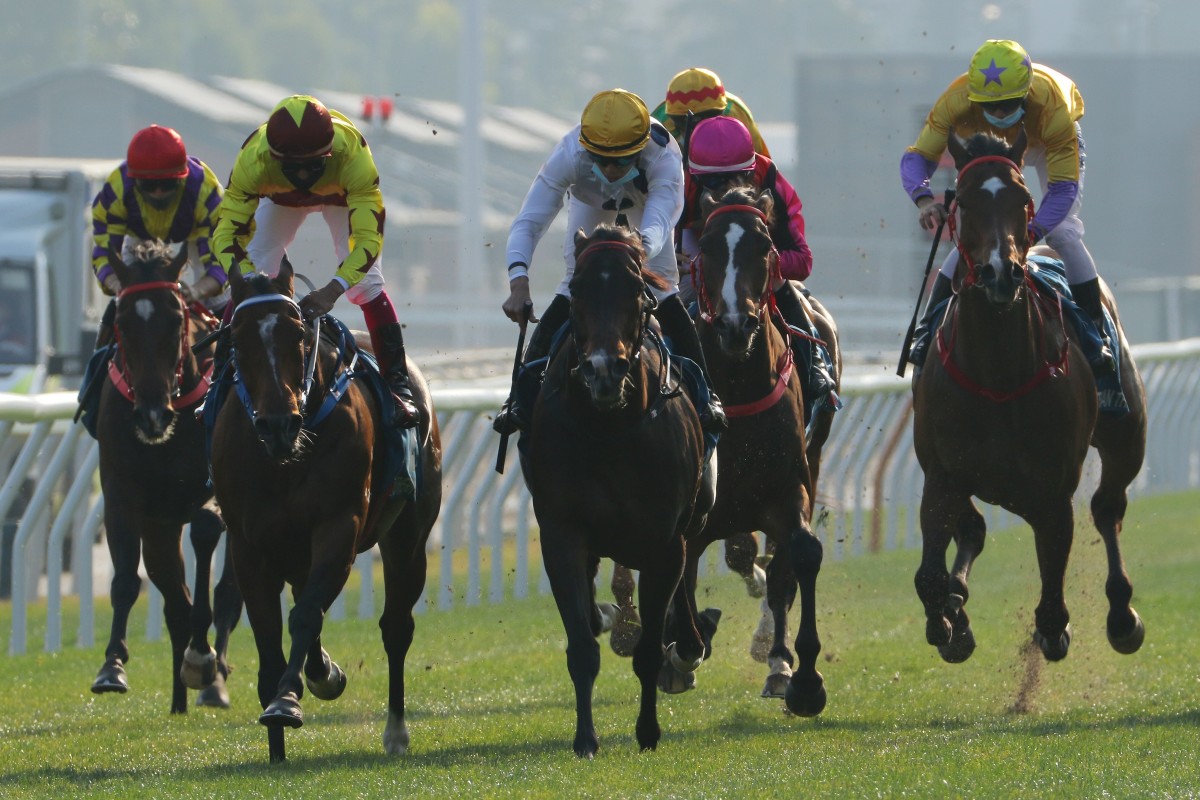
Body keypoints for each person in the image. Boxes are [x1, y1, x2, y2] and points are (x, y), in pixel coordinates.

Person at [494, 88, 726, 435]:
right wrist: (519, 281)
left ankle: (706, 395)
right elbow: (529, 221)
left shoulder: (663, 157)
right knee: (573, 284)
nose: (610, 168)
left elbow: (660, 221)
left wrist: (637, 252)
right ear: (586, 149)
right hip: (591, 205)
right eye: (601, 159)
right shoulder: (569, 154)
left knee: (663, 292)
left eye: (620, 161)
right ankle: (518, 397)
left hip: (647, 214)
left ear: (640, 149)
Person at [901, 39, 1115, 375]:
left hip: (1045, 142)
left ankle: (1093, 333)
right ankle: (927, 328)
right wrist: (924, 200)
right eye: (991, 106)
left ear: (1026, 94)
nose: (1001, 113)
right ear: (974, 98)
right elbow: (918, 156)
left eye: (1009, 104)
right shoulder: (955, 102)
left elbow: (1062, 190)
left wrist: (1032, 231)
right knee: (978, 226)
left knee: (1063, 232)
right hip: (992, 146)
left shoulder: (1052, 107)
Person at [210, 94, 418, 428]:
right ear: (274, 157)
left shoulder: (354, 155)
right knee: (253, 271)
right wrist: (247, 279)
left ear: (330, 153)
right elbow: (226, 235)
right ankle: (218, 379)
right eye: (293, 168)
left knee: (366, 284)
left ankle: (398, 387)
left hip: (341, 197)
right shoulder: (254, 159)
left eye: (313, 166)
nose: (305, 175)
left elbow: (367, 241)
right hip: (280, 200)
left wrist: (333, 290)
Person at [677, 115, 836, 415]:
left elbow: (803, 261)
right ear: (696, 176)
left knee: (780, 284)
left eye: (735, 179)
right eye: (712, 182)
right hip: (705, 246)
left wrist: (767, 261)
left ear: (752, 172)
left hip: (757, 254)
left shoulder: (772, 181)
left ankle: (813, 364)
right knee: (675, 293)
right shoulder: (682, 184)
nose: (724, 188)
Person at [91, 125, 228, 347]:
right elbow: (104, 256)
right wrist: (121, 287)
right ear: (134, 181)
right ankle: (96, 368)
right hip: (138, 236)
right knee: (125, 301)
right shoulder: (115, 192)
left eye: (167, 184)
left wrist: (195, 291)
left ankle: (231, 363)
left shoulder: (206, 191)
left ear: (182, 179)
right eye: (149, 185)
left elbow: (220, 264)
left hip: (196, 234)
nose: (158, 193)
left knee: (218, 299)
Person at [651, 67, 771, 158]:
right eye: (688, 124)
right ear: (672, 117)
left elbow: (762, 162)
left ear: (721, 111)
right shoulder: (658, 124)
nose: (697, 130)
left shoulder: (736, 114)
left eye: (704, 120)